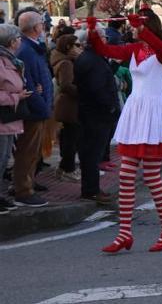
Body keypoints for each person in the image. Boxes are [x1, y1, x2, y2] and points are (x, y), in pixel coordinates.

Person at [86, 8, 162, 252]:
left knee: (151, 176)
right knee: (126, 175)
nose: (131, 28)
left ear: (148, 25)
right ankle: (124, 234)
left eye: (137, 24)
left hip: (153, 114)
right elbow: (104, 51)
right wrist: (93, 32)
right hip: (136, 112)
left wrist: (142, 30)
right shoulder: (134, 49)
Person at [13, 11, 54, 208]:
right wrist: (43, 106)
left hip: (38, 108)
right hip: (34, 110)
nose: (44, 26)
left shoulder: (31, 48)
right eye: (42, 23)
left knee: (33, 152)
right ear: (35, 27)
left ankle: (27, 183)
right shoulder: (26, 50)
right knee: (27, 152)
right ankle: (23, 190)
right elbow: (27, 84)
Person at [73, 28, 118, 205]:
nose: (106, 40)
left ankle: (91, 188)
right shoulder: (92, 60)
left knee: (90, 152)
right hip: (96, 114)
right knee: (92, 153)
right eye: (103, 37)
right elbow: (97, 89)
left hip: (90, 112)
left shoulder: (88, 57)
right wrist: (111, 107)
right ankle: (91, 190)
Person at [0, 24, 29, 214]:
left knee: (3, 160)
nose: (21, 41)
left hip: (10, 118)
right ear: (11, 42)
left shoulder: (10, 60)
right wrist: (16, 97)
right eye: (19, 38)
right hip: (3, 118)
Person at [50, 34, 83, 182]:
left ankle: (65, 167)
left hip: (66, 105)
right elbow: (66, 85)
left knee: (68, 138)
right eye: (77, 45)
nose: (80, 47)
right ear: (69, 47)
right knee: (71, 139)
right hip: (69, 106)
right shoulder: (66, 63)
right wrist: (83, 92)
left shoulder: (65, 60)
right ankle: (67, 168)